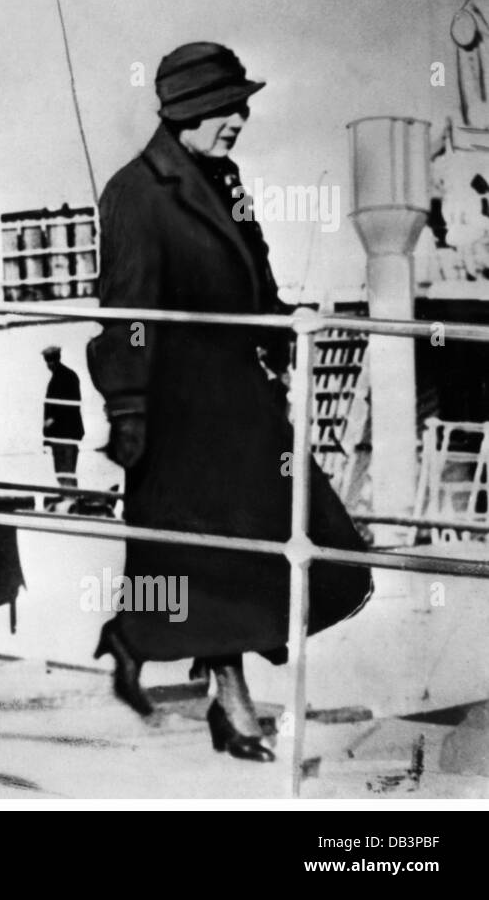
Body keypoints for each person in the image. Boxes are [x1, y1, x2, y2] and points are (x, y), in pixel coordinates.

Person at [87, 42, 372, 761]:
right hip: (179, 411)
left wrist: (282, 324)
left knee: (311, 549)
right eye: (226, 107)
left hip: (241, 402)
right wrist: (128, 410)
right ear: (185, 110)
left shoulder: (226, 179)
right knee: (215, 566)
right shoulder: (135, 193)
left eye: (241, 106)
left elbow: (256, 271)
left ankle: (137, 636)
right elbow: (126, 313)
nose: (239, 118)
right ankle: (233, 706)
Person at [41, 346, 84, 485]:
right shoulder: (63, 377)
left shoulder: (66, 377)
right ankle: (70, 501)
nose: (49, 364)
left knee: (66, 472)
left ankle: (70, 501)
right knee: (63, 473)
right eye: (47, 361)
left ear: (56, 359)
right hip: (60, 435)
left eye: (51, 361)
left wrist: (53, 419)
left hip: (65, 434)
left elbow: (72, 403)